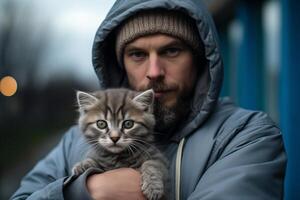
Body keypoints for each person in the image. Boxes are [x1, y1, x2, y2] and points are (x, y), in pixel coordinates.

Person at [11, 0, 286, 199]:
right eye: (138, 55)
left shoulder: (246, 135)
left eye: (171, 51)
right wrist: (84, 191)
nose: (154, 72)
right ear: (120, 63)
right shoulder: (74, 141)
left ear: (200, 58)